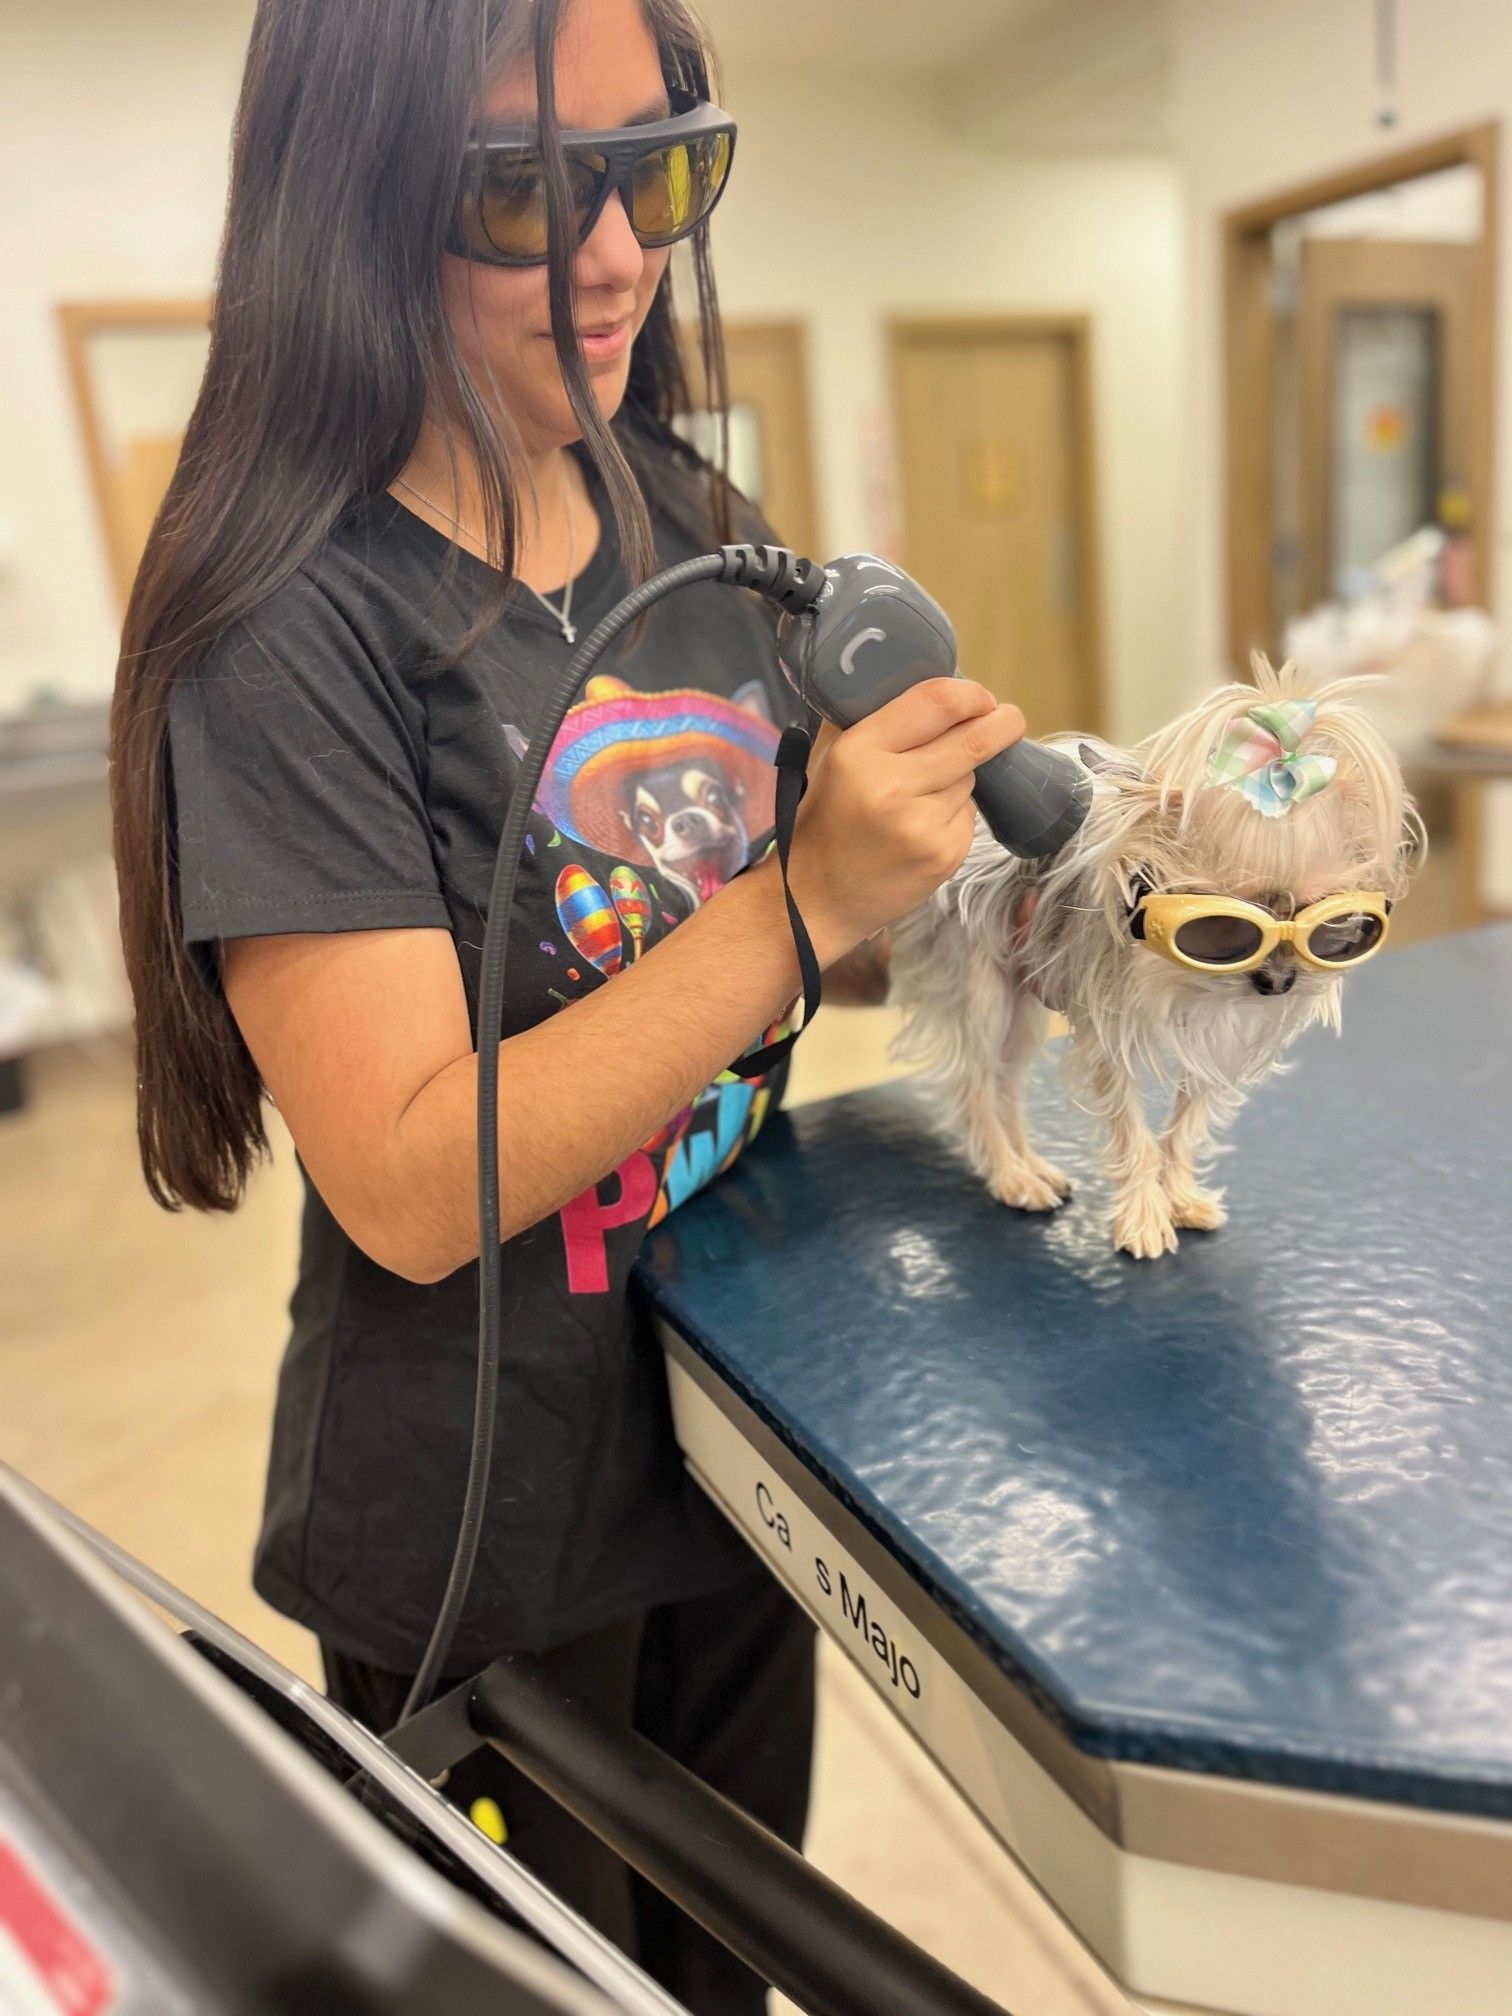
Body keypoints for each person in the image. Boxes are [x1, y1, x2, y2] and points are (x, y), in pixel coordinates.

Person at [109, 0, 1025, 2007]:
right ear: (347, 208)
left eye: (656, 163)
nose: (616, 251)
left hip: (734, 1453)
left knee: (715, 1972)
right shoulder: (288, 625)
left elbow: (739, 954)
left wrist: (946, 898)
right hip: (483, 1537)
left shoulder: (690, 523)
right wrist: (801, 901)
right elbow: (418, 1175)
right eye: (522, 187)